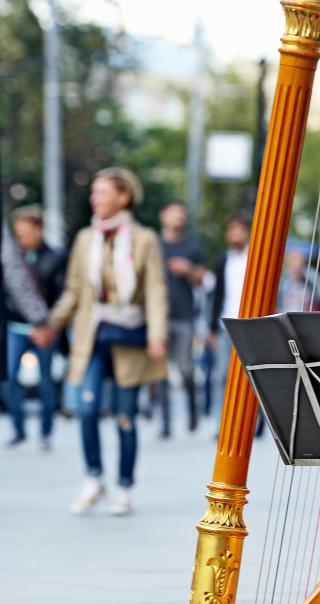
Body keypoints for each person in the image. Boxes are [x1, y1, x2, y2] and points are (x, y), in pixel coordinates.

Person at [48, 167, 168, 516]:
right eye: (95, 192)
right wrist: (52, 324)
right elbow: (74, 288)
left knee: (125, 415)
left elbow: (156, 291)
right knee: (85, 409)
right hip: (93, 335)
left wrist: (157, 336)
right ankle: (94, 478)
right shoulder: (86, 238)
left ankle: (125, 487)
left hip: (130, 336)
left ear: (123, 197)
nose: (94, 198)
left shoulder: (144, 239)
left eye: (102, 192)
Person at [5, 205, 66, 449]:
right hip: (16, 325)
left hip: (45, 328)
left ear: (39, 229)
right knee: (9, 379)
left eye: (25, 232)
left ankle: (46, 432)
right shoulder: (11, 256)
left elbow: (61, 293)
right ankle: (18, 428)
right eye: (17, 233)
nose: (21, 238)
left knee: (46, 382)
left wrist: (48, 323)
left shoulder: (56, 257)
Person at [150, 200, 206, 437]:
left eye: (182, 215)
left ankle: (193, 412)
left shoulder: (192, 246)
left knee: (185, 368)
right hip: (159, 317)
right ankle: (165, 422)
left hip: (184, 316)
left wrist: (188, 270)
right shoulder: (153, 245)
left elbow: (202, 278)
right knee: (160, 371)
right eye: (174, 214)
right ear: (163, 215)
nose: (178, 218)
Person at [207, 214, 250, 417]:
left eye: (238, 229)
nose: (235, 234)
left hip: (250, 324)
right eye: (231, 230)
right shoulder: (223, 260)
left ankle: (251, 420)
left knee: (250, 375)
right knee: (222, 374)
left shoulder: (254, 258)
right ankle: (222, 421)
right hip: (225, 323)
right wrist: (211, 329)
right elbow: (217, 295)